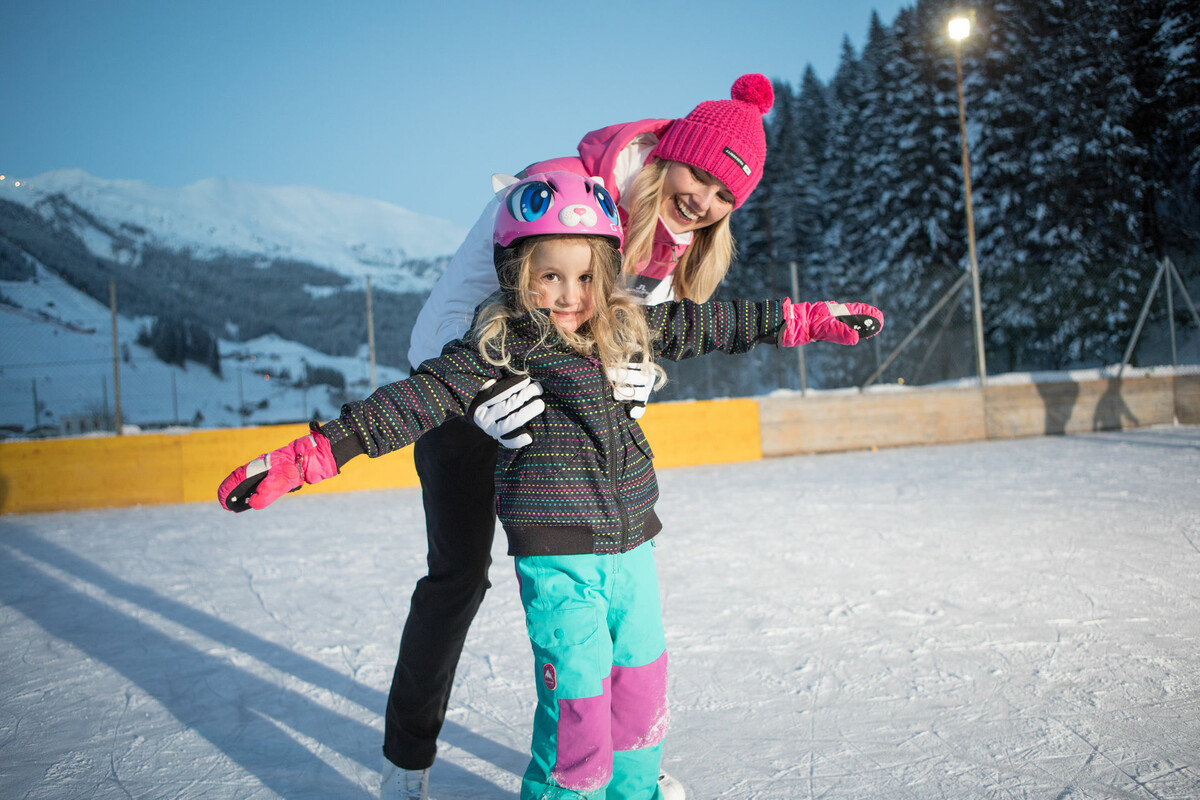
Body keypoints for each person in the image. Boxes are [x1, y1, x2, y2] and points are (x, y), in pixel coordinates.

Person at [217, 170, 883, 800]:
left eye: (587, 277)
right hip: (559, 551)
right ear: (518, 274)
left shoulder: (623, 327)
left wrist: (809, 319)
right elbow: (407, 404)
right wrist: (305, 459)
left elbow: (718, 324)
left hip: (633, 545)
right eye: (551, 277)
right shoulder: (495, 348)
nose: (570, 296)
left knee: (641, 693)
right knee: (579, 702)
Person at [383, 74, 780, 800]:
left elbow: (636, 336)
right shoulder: (547, 190)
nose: (705, 201)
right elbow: (450, 309)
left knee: (608, 580)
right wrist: (481, 397)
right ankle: (408, 759)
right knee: (457, 578)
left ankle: (621, 751)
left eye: (726, 195)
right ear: (671, 154)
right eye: (701, 176)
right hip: (467, 402)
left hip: (562, 429)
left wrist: (635, 379)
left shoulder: (674, 244)